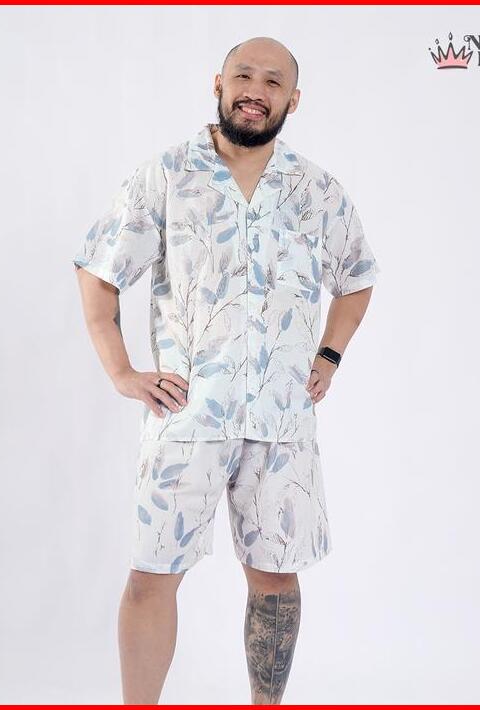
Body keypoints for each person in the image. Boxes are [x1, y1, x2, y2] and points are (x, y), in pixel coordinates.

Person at [73, 35, 381, 705]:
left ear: (292, 100)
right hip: (186, 416)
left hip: (282, 422)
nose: (255, 90)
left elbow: (357, 275)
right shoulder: (166, 176)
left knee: (275, 579)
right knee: (152, 575)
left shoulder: (316, 191)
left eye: (273, 81)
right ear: (218, 83)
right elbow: (99, 270)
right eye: (243, 75)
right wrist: (123, 372)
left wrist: (328, 355)